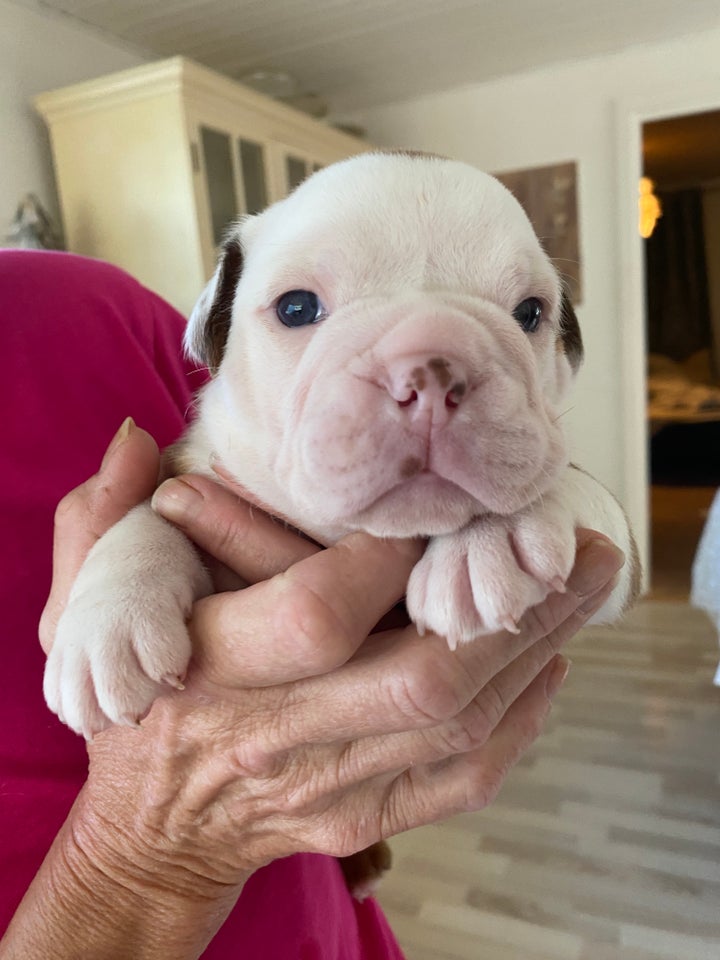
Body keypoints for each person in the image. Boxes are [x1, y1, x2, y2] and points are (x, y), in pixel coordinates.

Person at [0, 249, 625, 958]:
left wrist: (521, 495)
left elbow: (197, 488)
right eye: (300, 309)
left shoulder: (87, 303)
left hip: (325, 923)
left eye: (526, 313)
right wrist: (142, 866)